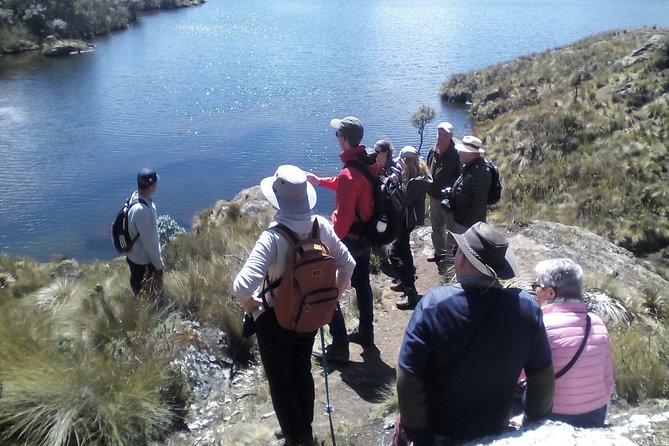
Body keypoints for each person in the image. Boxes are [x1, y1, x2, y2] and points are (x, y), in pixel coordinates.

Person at [397, 222, 555, 444]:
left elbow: (408, 378)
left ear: (461, 259)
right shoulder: (527, 309)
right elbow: (542, 378)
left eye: (456, 250)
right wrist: (531, 426)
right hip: (495, 431)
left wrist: (420, 437)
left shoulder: (433, 305)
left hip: (440, 432)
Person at [233, 165, 355, 446]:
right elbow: (348, 264)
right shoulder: (320, 226)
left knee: (281, 381)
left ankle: (295, 437)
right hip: (310, 314)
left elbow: (241, 286)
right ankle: (304, 428)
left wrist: (249, 303)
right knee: (301, 370)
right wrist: (333, 297)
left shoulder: (272, 238)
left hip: (276, 319)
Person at [307, 116, 380, 360]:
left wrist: (328, 243)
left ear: (345, 139)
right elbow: (345, 184)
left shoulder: (350, 172)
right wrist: (319, 182)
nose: (336, 138)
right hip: (366, 237)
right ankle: (366, 332)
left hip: (349, 241)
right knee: (362, 285)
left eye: (338, 135)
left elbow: (345, 217)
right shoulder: (367, 161)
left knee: (328, 288)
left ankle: (339, 345)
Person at [533, 258, 615, 427]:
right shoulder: (596, 322)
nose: (535, 292)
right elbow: (608, 379)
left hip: (555, 417)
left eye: (537, 287)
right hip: (596, 414)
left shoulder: (541, 325)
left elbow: (521, 376)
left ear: (550, 293)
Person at [388, 146, 432, 310]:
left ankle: (410, 291)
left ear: (407, 162)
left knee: (394, 253)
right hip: (409, 219)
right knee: (405, 250)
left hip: (407, 220)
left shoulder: (416, 181)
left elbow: (405, 200)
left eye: (402, 161)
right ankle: (406, 281)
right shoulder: (417, 176)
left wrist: (396, 183)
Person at [425, 122, 461, 275]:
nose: (441, 137)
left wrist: (454, 196)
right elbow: (427, 169)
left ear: (451, 136)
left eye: (445, 134)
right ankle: (439, 254)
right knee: (436, 228)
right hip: (434, 197)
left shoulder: (456, 154)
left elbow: (461, 177)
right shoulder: (433, 151)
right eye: (439, 134)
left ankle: (451, 260)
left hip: (449, 201)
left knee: (452, 231)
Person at [126, 168, 164, 296]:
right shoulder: (142, 211)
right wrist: (159, 265)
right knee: (147, 294)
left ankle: (137, 309)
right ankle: (143, 313)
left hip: (133, 257)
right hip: (142, 262)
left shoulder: (135, 197)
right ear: (152, 185)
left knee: (137, 288)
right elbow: (150, 243)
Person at [444, 135, 492, 233]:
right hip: (461, 219)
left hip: (469, 225)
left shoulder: (481, 171)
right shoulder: (470, 167)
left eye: (462, 151)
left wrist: (468, 226)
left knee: (465, 247)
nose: (459, 153)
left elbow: (480, 201)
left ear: (472, 154)